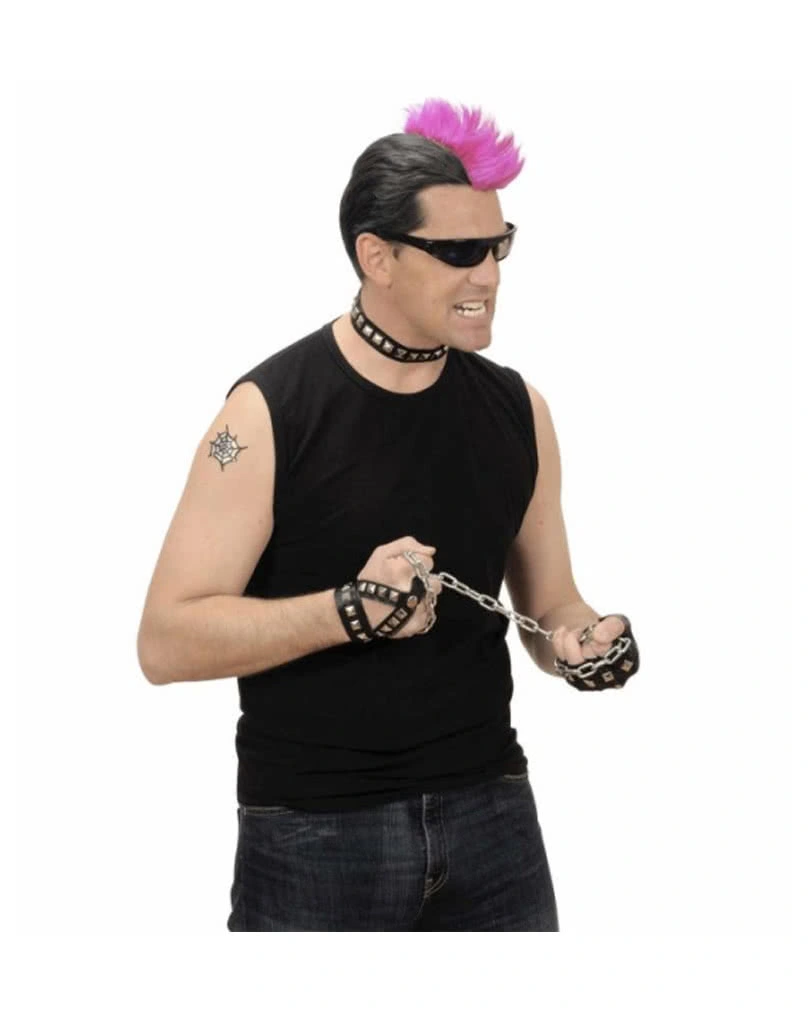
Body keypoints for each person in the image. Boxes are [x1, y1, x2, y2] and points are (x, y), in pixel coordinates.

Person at [136, 97, 629, 930]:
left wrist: (582, 643)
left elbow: (552, 606)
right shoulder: (263, 416)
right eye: (459, 252)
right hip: (316, 832)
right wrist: (348, 613)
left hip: (494, 814)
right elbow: (164, 643)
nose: (489, 276)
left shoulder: (520, 410)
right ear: (378, 255)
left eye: (499, 246)